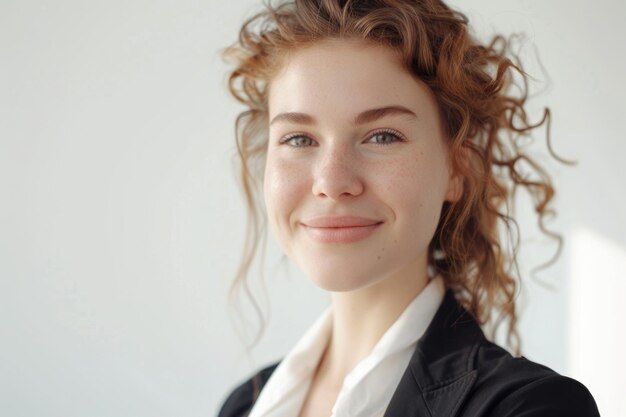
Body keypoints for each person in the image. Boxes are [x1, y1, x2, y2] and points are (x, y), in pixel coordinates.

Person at [218, 0, 600, 416]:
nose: (331, 182)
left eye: (382, 136)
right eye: (298, 139)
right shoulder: (244, 405)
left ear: (457, 168)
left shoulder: (531, 408)